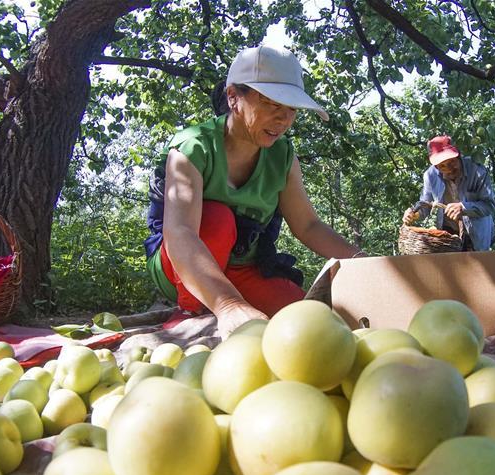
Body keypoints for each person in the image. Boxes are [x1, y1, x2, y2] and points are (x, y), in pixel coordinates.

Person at [144, 46, 364, 336]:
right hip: (178, 268)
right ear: (233, 97)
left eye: (292, 109)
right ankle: (191, 309)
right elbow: (180, 233)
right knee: (217, 219)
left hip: (242, 267)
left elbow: (308, 226)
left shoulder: (283, 156)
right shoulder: (193, 148)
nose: (283, 119)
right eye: (271, 104)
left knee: (307, 318)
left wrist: (364, 262)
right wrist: (228, 305)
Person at [403, 135, 495, 251]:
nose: (449, 168)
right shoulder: (430, 176)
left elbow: (489, 205)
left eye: (452, 162)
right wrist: (414, 214)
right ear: (436, 166)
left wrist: (464, 208)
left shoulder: (477, 171)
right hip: (448, 236)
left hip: (476, 235)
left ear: (458, 155)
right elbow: (426, 205)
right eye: (442, 165)